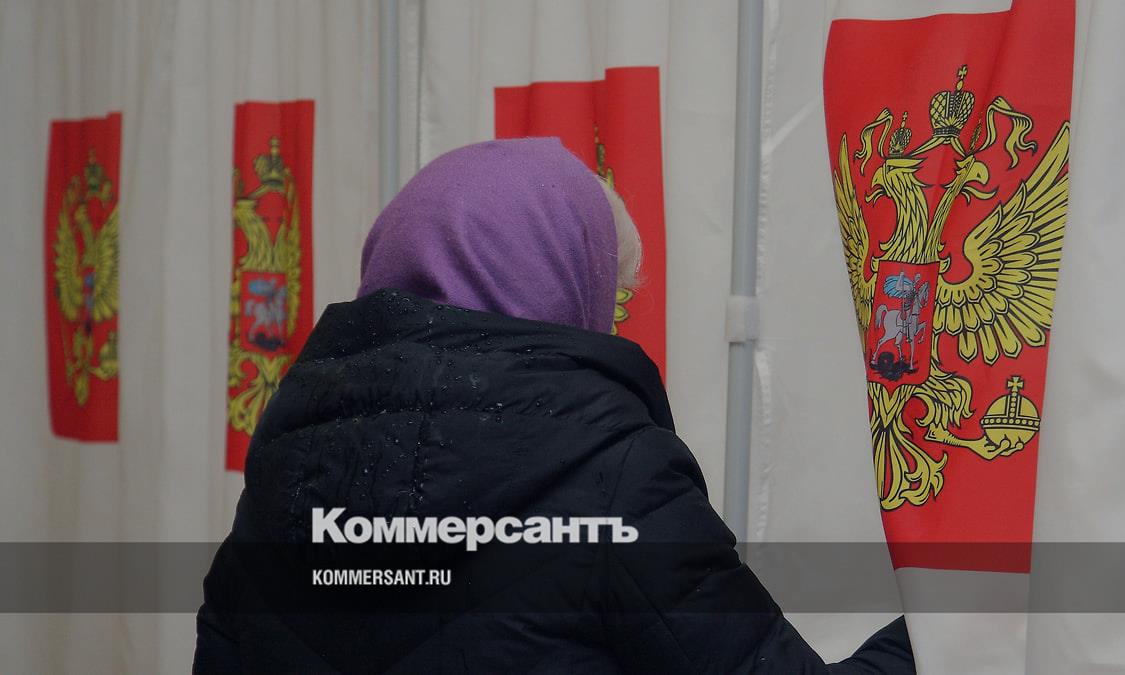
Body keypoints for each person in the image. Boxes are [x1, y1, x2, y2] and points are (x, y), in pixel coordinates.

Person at [194, 138, 914, 673]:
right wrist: (941, 622)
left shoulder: (284, 466)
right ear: (562, 287)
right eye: (611, 297)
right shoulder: (614, 477)